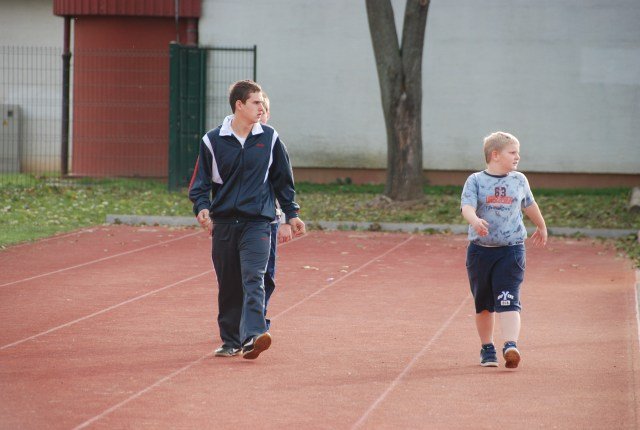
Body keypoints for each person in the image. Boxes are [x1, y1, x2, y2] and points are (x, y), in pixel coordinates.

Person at [188, 80, 305, 360]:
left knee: (254, 277)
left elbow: (283, 180)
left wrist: (291, 214)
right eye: (256, 102)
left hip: (258, 222)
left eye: (262, 102)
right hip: (225, 223)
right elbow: (200, 182)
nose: (261, 107)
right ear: (239, 105)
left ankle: (254, 334)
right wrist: (202, 207)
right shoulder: (212, 140)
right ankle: (231, 341)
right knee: (229, 283)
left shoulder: (270, 138)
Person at [460, 131, 547, 369]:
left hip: (511, 250)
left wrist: (541, 225)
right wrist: (475, 221)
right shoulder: (475, 180)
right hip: (480, 252)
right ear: (495, 155)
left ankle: (510, 345)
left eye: (518, 152)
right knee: (484, 304)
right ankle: (487, 348)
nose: (518, 157)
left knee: (509, 298)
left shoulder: (519, 180)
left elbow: (529, 204)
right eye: (513, 152)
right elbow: (466, 206)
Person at [260, 93, 293, 330]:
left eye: (264, 110)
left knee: (265, 274)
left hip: (269, 220)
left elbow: (284, 184)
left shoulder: (274, 143)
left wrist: (286, 220)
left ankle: (256, 320)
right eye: (256, 107)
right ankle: (239, 322)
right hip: (236, 221)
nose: (259, 113)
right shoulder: (226, 142)